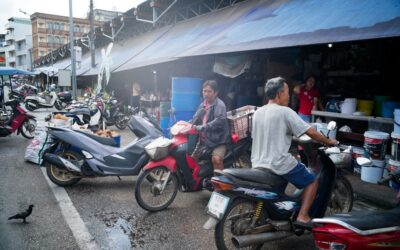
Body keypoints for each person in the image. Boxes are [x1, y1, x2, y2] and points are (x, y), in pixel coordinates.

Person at [251, 77, 336, 226]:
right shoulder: (285, 112)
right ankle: (303, 215)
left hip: (258, 162)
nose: (289, 96)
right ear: (279, 94)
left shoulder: (258, 112)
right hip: (278, 163)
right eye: (287, 92)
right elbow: (310, 132)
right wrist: (328, 141)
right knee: (312, 181)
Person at [192, 80, 230, 171]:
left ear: (215, 93)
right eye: (204, 91)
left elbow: (220, 121)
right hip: (204, 140)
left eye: (209, 91)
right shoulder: (202, 105)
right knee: (192, 159)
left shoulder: (220, 105)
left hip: (218, 141)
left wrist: (204, 127)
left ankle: (219, 183)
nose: (206, 94)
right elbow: (195, 118)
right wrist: (187, 124)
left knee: (216, 159)